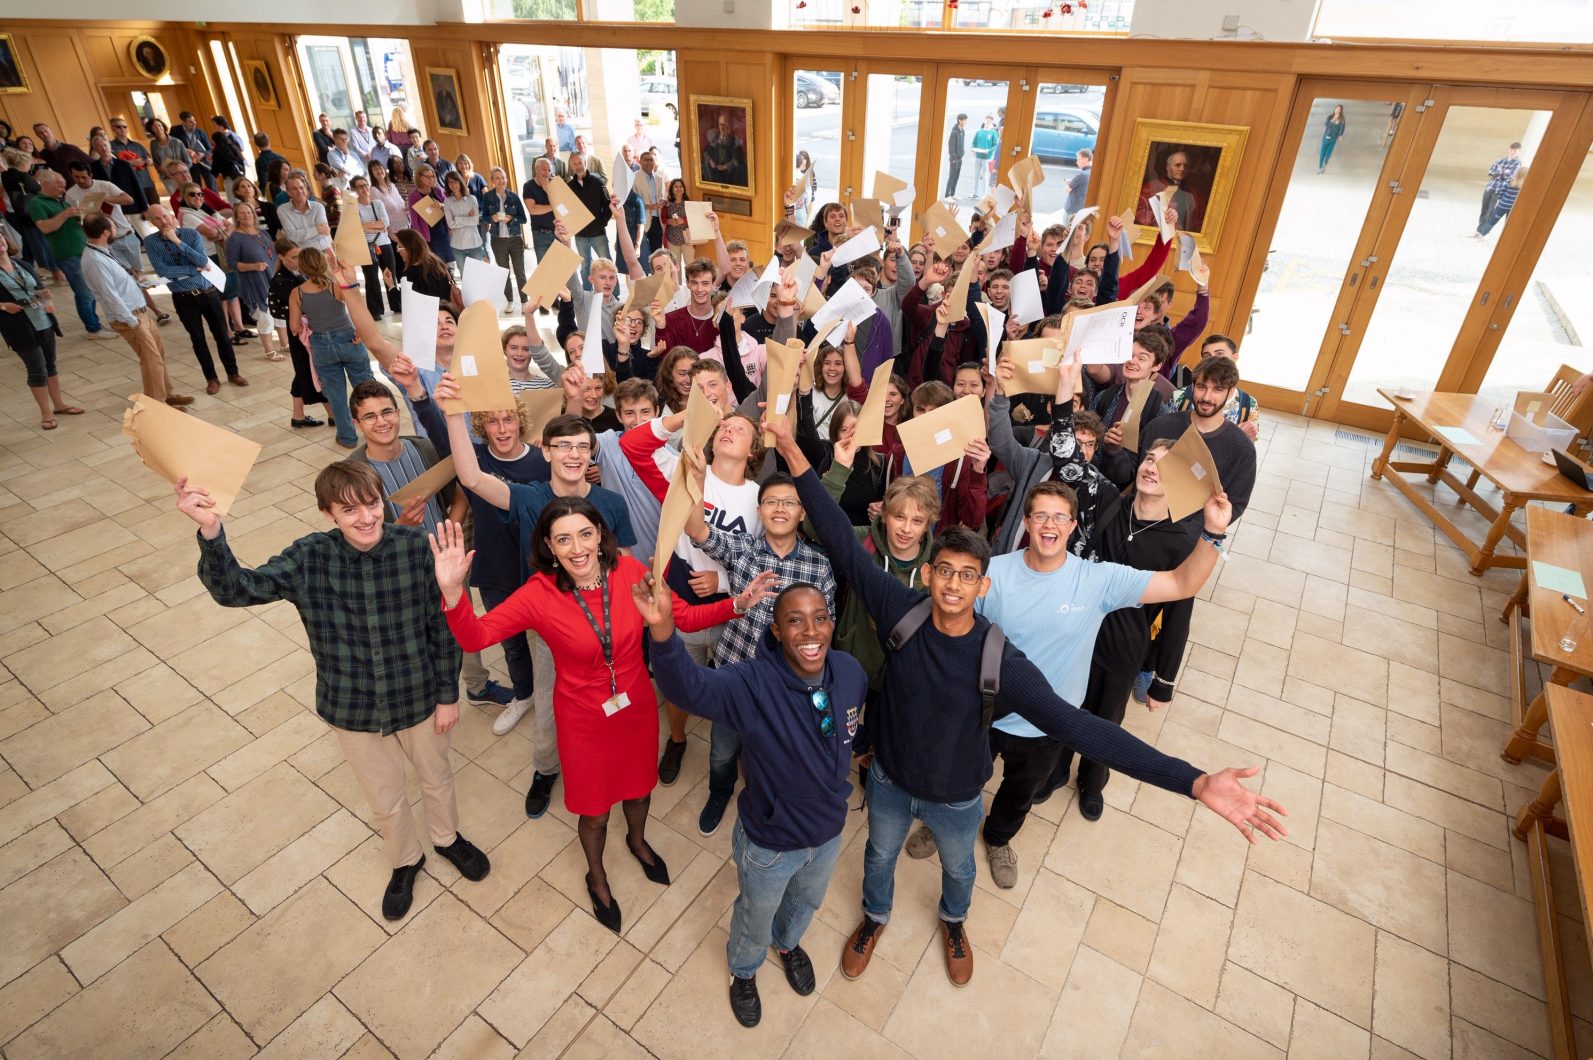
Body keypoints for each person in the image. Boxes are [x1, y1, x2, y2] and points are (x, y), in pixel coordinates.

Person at [767, 414, 1287, 987]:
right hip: (889, 781)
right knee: (878, 858)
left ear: (982, 587)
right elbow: (844, 544)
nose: (953, 585)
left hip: (959, 796)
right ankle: (875, 917)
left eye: (967, 576)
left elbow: (1084, 729)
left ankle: (954, 921)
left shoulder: (1002, 663)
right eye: (944, 572)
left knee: (960, 869)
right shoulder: (901, 612)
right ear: (930, 576)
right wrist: (792, 448)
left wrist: (1191, 780)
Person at [432, 498, 769, 932]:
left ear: (599, 535)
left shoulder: (629, 572)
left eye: (585, 534)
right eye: (563, 539)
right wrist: (453, 592)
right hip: (582, 718)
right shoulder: (538, 593)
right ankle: (597, 876)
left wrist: (737, 604)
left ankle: (638, 841)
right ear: (550, 548)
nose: (577, 548)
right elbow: (476, 635)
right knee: (593, 811)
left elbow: (680, 616)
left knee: (640, 789)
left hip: (635, 705)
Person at [178, 462, 491, 921]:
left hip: (419, 695)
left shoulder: (416, 550)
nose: (365, 518)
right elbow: (237, 591)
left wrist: (448, 695)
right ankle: (406, 860)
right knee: (385, 796)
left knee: (437, 777)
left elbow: (440, 628)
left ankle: (446, 839)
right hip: (352, 705)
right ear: (328, 513)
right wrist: (211, 532)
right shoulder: (309, 557)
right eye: (349, 510)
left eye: (371, 504)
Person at [641, 579, 865, 1027]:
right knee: (755, 912)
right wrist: (664, 630)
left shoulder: (851, 672)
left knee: (806, 902)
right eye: (795, 621)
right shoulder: (752, 684)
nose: (810, 632)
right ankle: (743, 970)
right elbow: (690, 689)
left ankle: (786, 943)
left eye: (819, 618)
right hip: (770, 840)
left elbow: (847, 733)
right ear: (776, 631)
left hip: (826, 833)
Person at [678, 447, 838, 839]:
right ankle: (719, 791)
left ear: (803, 513)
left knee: (769, 755)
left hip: (787, 687)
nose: (779, 508)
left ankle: (763, 800)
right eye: (770, 501)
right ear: (760, 509)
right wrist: (697, 483)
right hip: (736, 675)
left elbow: (825, 630)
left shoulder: (819, 565)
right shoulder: (743, 548)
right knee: (722, 749)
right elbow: (696, 530)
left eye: (790, 502)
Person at [288, 246, 373, 448]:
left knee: (335, 395)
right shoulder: (336, 286)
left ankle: (347, 437)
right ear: (323, 263)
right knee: (365, 389)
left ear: (302, 267)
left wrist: (306, 323)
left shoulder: (297, 293)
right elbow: (357, 309)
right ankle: (373, 431)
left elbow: (294, 327)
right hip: (348, 339)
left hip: (321, 346)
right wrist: (361, 332)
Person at [0, 234, 81, 429]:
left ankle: (59, 405)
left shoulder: (21, 264)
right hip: (19, 327)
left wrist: (43, 293)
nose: (0, 241)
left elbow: (37, 286)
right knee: (37, 369)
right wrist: (3, 306)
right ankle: (46, 413)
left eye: (0, 237)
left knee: (50, 364)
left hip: (42, 320)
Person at [25, 169, 100, 334]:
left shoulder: (60, 200)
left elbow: (72, 224)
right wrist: (66, 214)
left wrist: (85, 216)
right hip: (67, 254)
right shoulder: (37, 203)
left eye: (64, 186)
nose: (63, 190)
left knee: (90, 289)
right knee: (84, 292)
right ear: (45, 184)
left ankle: (95, 323)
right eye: (59, 186)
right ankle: (93, 328)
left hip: (82, 249)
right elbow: (45, 227)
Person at [266, 237, 329, 428]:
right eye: (294, 257)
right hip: (299, 333)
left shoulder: (296, 274)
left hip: (304, 331)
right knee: (311, 371)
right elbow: (302, 308)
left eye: (300, 255)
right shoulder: (282, 280)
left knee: (303, 371)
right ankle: (333, 413)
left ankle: (298, 416)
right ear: (282, 257)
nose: (299, 260)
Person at [223, 200, 280, 360]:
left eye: (248, 212)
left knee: (278, 313)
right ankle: (269, 351)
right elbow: (231, 263)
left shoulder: (262, 232)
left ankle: (284, 344)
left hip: (272, 278)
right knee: (265, 316)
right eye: (242, 213)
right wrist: (253, 266)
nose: (246, 215)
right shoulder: (235, 238)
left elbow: (273, 254)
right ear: (237, 217)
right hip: (254, 281)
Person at [350, 175, 395, 321]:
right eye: (360, 186)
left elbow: (385, 223)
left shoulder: (378, 203)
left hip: (384, 243)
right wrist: (376, 226)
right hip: (366, 246)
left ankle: (397, 304)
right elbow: (357, 227)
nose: (364, 189)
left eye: (365, 185)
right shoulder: (353, 207)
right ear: (354, 189)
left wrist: (368, 226)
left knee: (390, 274)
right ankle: (375, 310)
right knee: (371, 279)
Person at [483, 166, 527, 311]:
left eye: (503, 178)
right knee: (503, 272)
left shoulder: (514, 196)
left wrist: (512, 218)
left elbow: (523, 219)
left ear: (506, 180)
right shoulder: (487, 197)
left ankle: (524, 301)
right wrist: (492, 218)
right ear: (492, 181)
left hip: (515, 239)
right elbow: (484, 216)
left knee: (520, 271)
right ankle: (510, 301)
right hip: (497, 240)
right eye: (497, 178)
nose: (501, 181)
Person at [566, 154, 611, 285]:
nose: (578, 166)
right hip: (580, 235)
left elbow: (607, 203)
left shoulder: (597, 182)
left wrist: (602, 222)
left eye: (580, 163)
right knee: (585, 268)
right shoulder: (569, 187)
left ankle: (615, 296)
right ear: (571, 166)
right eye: (574, 164)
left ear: (585, 162)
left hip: (598, 233)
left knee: (607, 264)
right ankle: (587, 296)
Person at [1135, 146, 1200, 231]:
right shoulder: (1151, 187)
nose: (1182, 169)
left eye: (1185, 166)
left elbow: (1197, 223)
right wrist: (1163, 219)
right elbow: (1139, 214)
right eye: (1178, 165)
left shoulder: (1191, 194)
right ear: (1168, 167)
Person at [408, 164, 451, 267]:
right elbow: (414, 220)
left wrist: (441, 205)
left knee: (447, 262)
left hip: (442, 231)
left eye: (432, 176)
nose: (430, 179)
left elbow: (449, 206)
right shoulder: (414, 195)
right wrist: (420, 238)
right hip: (428, 235)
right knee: (436, 263)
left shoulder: (437, 190)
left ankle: (449, 281)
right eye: (427, 177)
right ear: (419, 177)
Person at [278, 169, 331, 251]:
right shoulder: (282, 210)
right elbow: (292, 237)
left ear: (306, 189)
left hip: (324, 251)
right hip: (303, 256)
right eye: (294, 189)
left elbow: (324, 233)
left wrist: (300, 234)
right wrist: (316, 229)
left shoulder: (318, 207)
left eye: (301, 187)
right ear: (288, 192)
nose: (299, 191)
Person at [442, 170, 485, 270]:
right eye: (450, 182)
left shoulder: (472, 199)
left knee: (479, 274)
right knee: (465, 277)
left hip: (474, 244)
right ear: (447, 185)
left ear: (460, 182)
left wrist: (457, 218)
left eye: (455, 181)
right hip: (457, 246)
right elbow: (450, 224)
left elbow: (475, 221)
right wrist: (467, 218)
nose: (453, 185)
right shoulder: (447, 202)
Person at [109, 117, 158, 205]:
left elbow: (149, 159)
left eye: (124, 127)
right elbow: (112, 164)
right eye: (119, 127)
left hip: (147, 183)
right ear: (113, 129)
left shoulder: (137, 145)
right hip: (130, 186)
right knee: (142, 213)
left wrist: (149, 161)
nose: (122, 129)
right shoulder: (110, 146)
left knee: (157, 207)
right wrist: (131, 163)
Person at [1479, 140, 1522, 231]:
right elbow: (1490, 172)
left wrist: (1499, 171)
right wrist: (1503, 172)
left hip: (1500, 190)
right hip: (1490, 187)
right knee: (1484, 210)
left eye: (1516, 150)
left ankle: (1483, 232)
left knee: (1490, 212)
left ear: (1519, 152)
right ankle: (1479, 230)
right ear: (1509, 149)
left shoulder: (1517, 163)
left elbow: (1510, 176)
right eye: (1512, 149)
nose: (1513, 152)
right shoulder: (1500, 160)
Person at [1477, 164, 1526, 238]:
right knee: (1508, 225)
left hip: (1502, 206)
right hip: (1512, 208)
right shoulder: (1524, 186)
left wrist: (1499, 201)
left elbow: (1501, 193)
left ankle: (1482, 234)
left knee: (1492, 222)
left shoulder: (1510, 182)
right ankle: (1506, 238)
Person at [170, 112, 215, 190]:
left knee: (212, 186)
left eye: (194, 121)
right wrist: (185, 150)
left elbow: (210, 148)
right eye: (190, 122)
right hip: (189, 165)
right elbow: (172, 146)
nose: (194, 123)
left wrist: (203, 154)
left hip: (204, 163)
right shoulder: (175, 131)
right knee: (196, 187)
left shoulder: (200, 132)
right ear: (183, 122)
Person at [970, 115, 998, 197]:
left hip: (987, 158)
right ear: (984, 121)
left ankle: (984, 195)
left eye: (990, 121)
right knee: (976, 175)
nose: (988, 122)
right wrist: (973, 149)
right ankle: (975, 193)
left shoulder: (993, 133)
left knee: (985, 177)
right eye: (987, 120)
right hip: (978, 156)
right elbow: (973, 143)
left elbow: (995, 145)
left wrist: (989, 151)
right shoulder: (979, 132)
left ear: (992, 123)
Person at [1065, 146, 1093, 216]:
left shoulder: (1082, 175)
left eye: (1078, 159)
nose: (1077, 162)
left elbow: (1067, 189)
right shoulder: (1092, 173)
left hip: (1073, 211)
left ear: (1085, 159)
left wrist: (1070, 183)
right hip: (1083, 209)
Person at [944, 114, 967, 198]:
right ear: (959, 120)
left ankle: (952, 194)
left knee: (956, 177)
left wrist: (962, 152)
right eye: (964, 120)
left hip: (960, 158)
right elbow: (951, 146)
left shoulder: (962, 131)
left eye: (965, 120)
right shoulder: (954, 132)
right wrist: (953, 158)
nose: (965, 122)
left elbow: (962, 144)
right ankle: (947, 196)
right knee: (952, 177)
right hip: (954, 159)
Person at [1319, 105, 1346, 173]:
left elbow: (1342, 128)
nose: (1337, 110)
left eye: (1339, 109)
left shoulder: (1342, 119)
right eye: (1336, 108)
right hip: (1326, 137)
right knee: (1322, 153)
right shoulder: (1330, 117)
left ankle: (1324, 167)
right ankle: (1320, 167)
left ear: (1341, 111)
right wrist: (1334, 119)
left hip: (1333, 139)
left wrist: (1341, 135)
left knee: (1328, 153)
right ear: (1335, 109)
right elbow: (1326, 125)